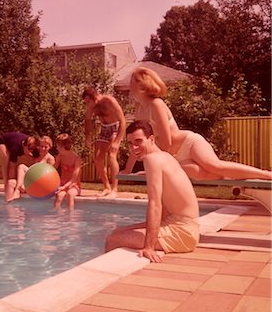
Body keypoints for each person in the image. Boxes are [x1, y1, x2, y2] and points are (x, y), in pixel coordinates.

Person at [122, 67, 272, 181]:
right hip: (173, 155)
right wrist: (128, 170)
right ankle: (231, 175)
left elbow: (166, 143)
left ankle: (266, 175)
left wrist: (159, 166)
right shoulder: (139, 109)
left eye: (131, 82)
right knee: (198, 172)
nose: (129, 86)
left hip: (188, 144)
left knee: (214, 166)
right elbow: (136, 142)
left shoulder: (156, 105)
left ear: (141, 86)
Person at [105, 120, 200, 263]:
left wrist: (148, 247)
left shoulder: (152, 160)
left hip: (182, 232)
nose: (134, 147)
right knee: (118, 231)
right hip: (184, 228)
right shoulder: (164, 156)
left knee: (112, 240)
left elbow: (155, 204)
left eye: (138, 141)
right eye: (130, 143)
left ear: (151, 139)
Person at [83, 87, 126, 198]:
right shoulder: (92, 106)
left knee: (112, 156)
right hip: (104, 128)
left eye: (88, 102)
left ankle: (115, 189)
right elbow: (87, 120)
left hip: (115, 127)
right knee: (97, 159)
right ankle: (107, 187)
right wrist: (87, 137)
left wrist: (117, 141)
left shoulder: (109, 101)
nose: (87, 104)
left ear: (94, 97)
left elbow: (122, 121)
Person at [6, 135, 55, 202]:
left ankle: (17, 191)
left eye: (45, 147)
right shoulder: (37, 155)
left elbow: (50, 177)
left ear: (50, 147)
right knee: (11, 182)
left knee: (22, 167)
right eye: (41, 146)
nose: (43, 148)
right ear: (38, 146)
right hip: (32, 181)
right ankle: (8, 205)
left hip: (41, 184)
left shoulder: (50, 159)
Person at [0, 132, 39, 201]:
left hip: (16, 142)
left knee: (28, 160)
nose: (31, 152)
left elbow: (36, 162)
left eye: (32, 149)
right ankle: (5, 184)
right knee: (6, 157)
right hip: (3, 141)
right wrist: (11, 181)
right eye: (29, 149)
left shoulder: (33, 148)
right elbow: (12, 166)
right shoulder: (16, 147)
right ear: (23, 146)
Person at [54, 133, 82, 209]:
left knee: (70, 195)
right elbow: (53, 169)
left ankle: (70, 218)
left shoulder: (76, 159)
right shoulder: (60, 157)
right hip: (63, 183)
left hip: (74, 185)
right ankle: (56, 217)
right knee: (59, 196)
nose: (56, 148)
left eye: (57, 146)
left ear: (62, 147)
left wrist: (64, 187)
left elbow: (74, 178)